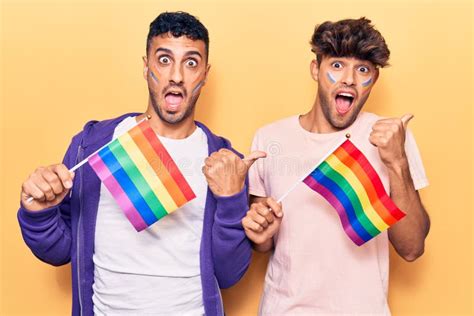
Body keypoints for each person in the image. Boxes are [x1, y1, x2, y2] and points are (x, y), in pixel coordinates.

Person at [18, 11, 262, 316]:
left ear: (205, 74)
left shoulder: (225, 162)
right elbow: (59, 250)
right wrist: (38, 214)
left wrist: (230, 201)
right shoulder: (94, 145)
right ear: (145, 67)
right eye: (163, 60)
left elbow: (228, 275)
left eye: (191, 63)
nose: (176, 76)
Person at [242, 17, 430, 315]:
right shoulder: (269, 138)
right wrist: (261, 234)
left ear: (374, 80)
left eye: (363, 70)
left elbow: (412, 248)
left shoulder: (391, 138)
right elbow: (262, 243)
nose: (349, 80)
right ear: (316, 69)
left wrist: (397, 161)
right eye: (338, 65)